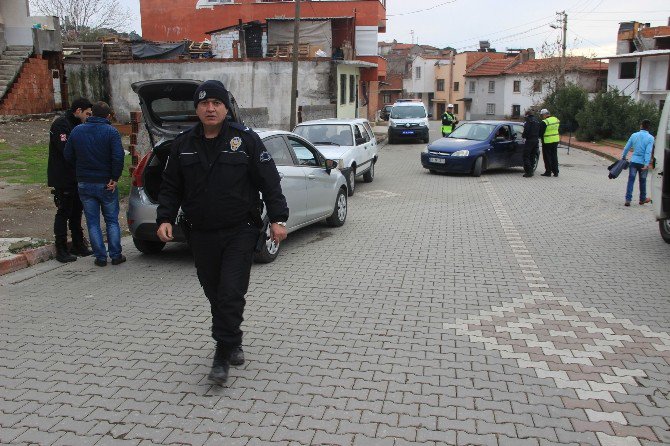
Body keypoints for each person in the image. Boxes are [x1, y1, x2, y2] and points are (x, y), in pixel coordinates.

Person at [156, 80, 289, 385]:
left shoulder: (246, 140)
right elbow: (171, 186)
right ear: (197, 109)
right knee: (215, 292)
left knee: (230, 292)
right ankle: (234, 338)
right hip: (200, 233)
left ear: (226, 108)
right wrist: (165, 217)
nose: (210, 108)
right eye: (204, 103)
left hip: (240, 230)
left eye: (216, 103)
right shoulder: (184, 144)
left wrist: (278, 218)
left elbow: (269, 181)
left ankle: (221, 353)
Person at [64, 102, 125, 267]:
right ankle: (116, 255)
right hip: (107, 183)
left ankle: (100, 257)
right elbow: (118, 157)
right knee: (111, 220)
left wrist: (80, 169)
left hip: (85, 182)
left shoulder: (77, 131)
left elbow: (68, 154)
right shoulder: (111, 132)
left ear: (91, 114)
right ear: (108, 116)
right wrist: (115, 177)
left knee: (92, 222)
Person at [47, 98, 94, 263]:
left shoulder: (79, 126)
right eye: (87, 113)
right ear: (79, 110)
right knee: (64, 212)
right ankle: (61, 247)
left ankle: (78, 243)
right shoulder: (61, 124)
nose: (89, 117)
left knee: (76, 211)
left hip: (77, 176)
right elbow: (66, 150)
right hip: (63, 177)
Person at [621, 119, 655, 207]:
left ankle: (628, 199)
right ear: (648, 127)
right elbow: (648, 151)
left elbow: (627, 147)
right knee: (643, 181)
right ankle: (642, 199)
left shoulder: (634, 135)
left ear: (641, 126)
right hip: (643, 163)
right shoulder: (650, 138)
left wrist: (623, 156)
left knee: (631, 180)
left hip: (634, 161)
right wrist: (646, 164)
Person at [539, 108, 560, 177]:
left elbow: (541, 133)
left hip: (547, 141)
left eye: (542, 115)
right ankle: (556, 172)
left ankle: (548, 172)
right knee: (554, 156)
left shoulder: (544, 122)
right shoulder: (556, 119)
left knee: (547, 157)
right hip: (555, 140)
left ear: (545, 115)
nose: (542, 117)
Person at [521, 110, 540, 178]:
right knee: (532, 156)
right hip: (536, 140)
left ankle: (529, 172)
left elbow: (526, 130)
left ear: (527, 115)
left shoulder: (528, 121)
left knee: (526, 156)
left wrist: (523, 136)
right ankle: (531, 170)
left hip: (529, 140)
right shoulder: (537, 121)